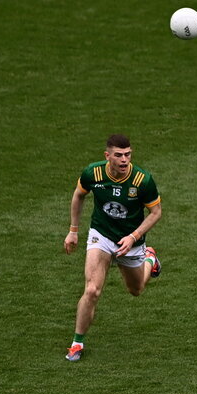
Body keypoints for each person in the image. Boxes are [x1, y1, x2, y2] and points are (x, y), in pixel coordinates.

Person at [63, 134, 162, 361]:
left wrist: (134, 236)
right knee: (92, 290)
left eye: (128, 154)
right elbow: (79, 195)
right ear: (107, 156)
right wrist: (73, 230)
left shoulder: (142, 181)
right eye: (118, 155)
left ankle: (150, 259)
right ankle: (77, 343)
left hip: (132, 242)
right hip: (102, 235)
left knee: (136, 290)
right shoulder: (93, 173)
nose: (124, 159)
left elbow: (156, 213)